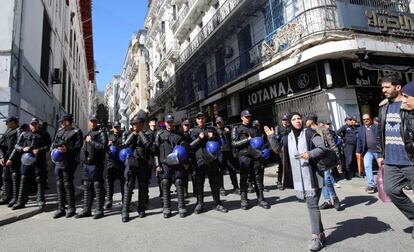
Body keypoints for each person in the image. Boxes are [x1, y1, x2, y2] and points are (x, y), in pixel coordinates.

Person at [266, 112, 326, 251]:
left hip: (314, 176)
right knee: (313, 206)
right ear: (290, 122)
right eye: (294, 119)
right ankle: (321, 234)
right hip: (301, 179)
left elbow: (321, 148)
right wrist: (270, 136)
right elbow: (278, 150)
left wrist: (309, 154)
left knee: (312, 206)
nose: (298, 121)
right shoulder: (288, 138)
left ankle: (316, 237)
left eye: (299, 118)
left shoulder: (310, 133)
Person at [377, 75, 414, 240]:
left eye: (387, 87)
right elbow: (381, 133)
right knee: (391, 190)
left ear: (398, 87)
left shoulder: (409, 104)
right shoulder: (383, 107)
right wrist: (380, 154)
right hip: (391, 161)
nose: (384, 90)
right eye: (383, 88)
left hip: (410, 160)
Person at [189, 112, 228, 214]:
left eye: (202, 118)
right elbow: (190, 146)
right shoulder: (193, 131)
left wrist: (212, 137)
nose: (201, 120)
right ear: (196, 120)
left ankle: (217, 203)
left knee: (214, 182)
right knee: (199, 183)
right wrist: (199, 138)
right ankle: (200, 203)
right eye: (199, 118)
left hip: (212, 159)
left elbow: (220, 143)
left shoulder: (212, 129)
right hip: (200, 160)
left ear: (205, 119)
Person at [231, 110, 270, 210]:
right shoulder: (237, 129)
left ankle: (261, 199)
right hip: (244, 156)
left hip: (255, 157)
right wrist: (246, 140)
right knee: (244, 179)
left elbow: (260, 142)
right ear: (241, 118)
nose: (248, 118)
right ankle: (244, 200)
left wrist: (263, 150)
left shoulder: (254, 129)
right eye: (246, 117)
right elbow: (234, 144)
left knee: (258, 178)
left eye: (249, 117)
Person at [12, 118, 51, 210]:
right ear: (29, 125)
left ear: (38, 125)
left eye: (35, 124)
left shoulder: (44, 134)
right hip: (26, 160)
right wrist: (22, 149)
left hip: (39, 160)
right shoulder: (24, 134)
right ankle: (21, 201)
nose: (33, 126)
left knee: (39, 179)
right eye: (32, 124)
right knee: (24, 178)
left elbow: (49, 146)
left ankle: (40, 200)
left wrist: (40, 150)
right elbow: (16, 145)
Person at [154, 114, 189, 218]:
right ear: (165, 123)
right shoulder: (159, 134)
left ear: (173, 122)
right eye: (168, 122)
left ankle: (182, 206)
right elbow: (155, 151)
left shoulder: (179, 134)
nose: (170, 124)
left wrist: (186, 162)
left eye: (171, 122)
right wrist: (157, 165)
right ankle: (167, 207)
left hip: (178, 163)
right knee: (165, 183)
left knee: (179, 182)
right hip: (165, 164)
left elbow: (184, 150)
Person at [305, 114, 340, 211]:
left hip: (326, 159)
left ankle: (334, 198)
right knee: (322, 181)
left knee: (327, 179)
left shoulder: (322, 129)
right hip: (315, 160)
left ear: (311, 121)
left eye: (307, 120)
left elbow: (332, 143)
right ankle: (328, 201)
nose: (305, 121)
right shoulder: (307, 132)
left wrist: (337, 159)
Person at [76, 115, 108, 219]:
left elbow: (103, 147)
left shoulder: (102, 133)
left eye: (94, 121)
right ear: (89, 122)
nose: (92, 123)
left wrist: (91, 141)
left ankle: (99, 210)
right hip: (86, 164)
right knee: (87, 185)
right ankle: (86, 209)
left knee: (97, 185)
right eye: (91, 121)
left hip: (96, 164)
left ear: (97, 122)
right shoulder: (88, 133)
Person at [51, 113, 83, 218]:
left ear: (68, 122)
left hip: (69, 161)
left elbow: (78, 147)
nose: (60, 123)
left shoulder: (77, 132)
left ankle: (71, 208)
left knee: (67, 184)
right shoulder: (59, 132)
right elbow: (54, 143)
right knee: (59, 184)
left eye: (62, 121)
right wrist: (58, 147)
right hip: (58, 161)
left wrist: (67, 149)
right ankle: (61, 209)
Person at [121, 115, 151, 222]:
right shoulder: (127, 134)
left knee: (143, 186)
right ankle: (125, 211)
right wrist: (133, 135)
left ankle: (141, 209)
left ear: (141, 124)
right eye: (133, 124)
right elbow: (125, 144)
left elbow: (148, 145)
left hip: (143, 164)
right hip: (131, 163)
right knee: (128, 186)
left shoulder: (147, 133)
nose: (134, 126)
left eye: (136, 124)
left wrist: (140, 133)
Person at [0, 116, 21, 206]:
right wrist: (1, 157)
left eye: (8, 122)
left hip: (14, 159)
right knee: (5, 177)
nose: (6, 124)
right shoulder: (7, 131)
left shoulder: (19, 131)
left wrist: (11, 159)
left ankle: (15, 198)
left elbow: (18, 146)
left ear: (13, 122)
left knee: (15, 178)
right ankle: (6, 197)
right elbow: (1, 144)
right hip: (5, 159)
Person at [215, 116, 239, 195]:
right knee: (220, 171)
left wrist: (229, 132)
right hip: (220, 153)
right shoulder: (215, 130)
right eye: (218, 123)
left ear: (223, 122)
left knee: (232, 169)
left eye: (220, 122)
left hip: (229, 152)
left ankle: (236, 187)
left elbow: (234, 136)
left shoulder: (228, 128)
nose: (219, 124)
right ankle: (221, 188)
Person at [356, 114, 380, 194]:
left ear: (370, 119)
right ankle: (371, 185)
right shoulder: (360, 129)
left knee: (383, 167)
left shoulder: (376, 127)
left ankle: (386, 184)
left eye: (367, 119)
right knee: (367, 166)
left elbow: (381, 139)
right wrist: (358, 151)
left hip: (378, 151)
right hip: (368, 151)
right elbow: (359, 141)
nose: (366, 120)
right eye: (364, 119)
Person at [104, 121, 125, 209]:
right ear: (112, 128)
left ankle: (125, 200)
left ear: (120, 127)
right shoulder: (109, 136)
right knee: (109, 182)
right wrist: (107, 145)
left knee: (123, 182)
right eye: (115, 127)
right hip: (111, 162)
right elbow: (104, 148)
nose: (117, 129)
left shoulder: (123, 136)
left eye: (118, 127)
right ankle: (109, 200)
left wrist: (118, 147)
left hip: (121, 162)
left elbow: (125, 146)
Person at [180, 119, 196, 198]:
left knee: (194, 175)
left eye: (187, 125)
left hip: (192, 156)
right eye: (185, 125)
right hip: (184, 157)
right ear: (182, 126)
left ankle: (195, 191)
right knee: (184, 176)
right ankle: (185, 191)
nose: (186, 127)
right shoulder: (180, 135)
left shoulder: (192, 133)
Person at [275, 115, 291, 190]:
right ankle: (279, 181)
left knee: (289, 164)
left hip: (289, 148)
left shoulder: (290, 128)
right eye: (284, 120)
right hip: (281, 149)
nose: (285, 121)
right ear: (282, 121)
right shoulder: (278, 128)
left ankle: (289, 181)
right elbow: (276, 137)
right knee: (281, 165)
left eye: (286, 120)